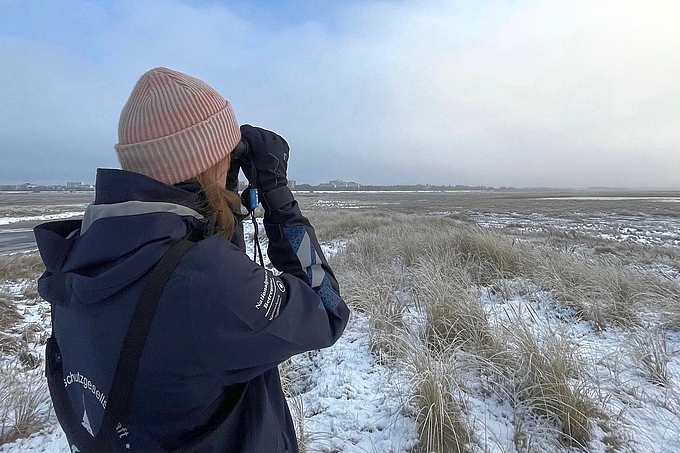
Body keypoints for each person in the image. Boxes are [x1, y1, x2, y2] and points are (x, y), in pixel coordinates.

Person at [34, 67, 350, 452]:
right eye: (226, 156)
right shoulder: (205, 279)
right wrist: (278, 194)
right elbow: (325, 308)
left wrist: (216, 201)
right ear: (206, 161)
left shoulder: (78, 253)